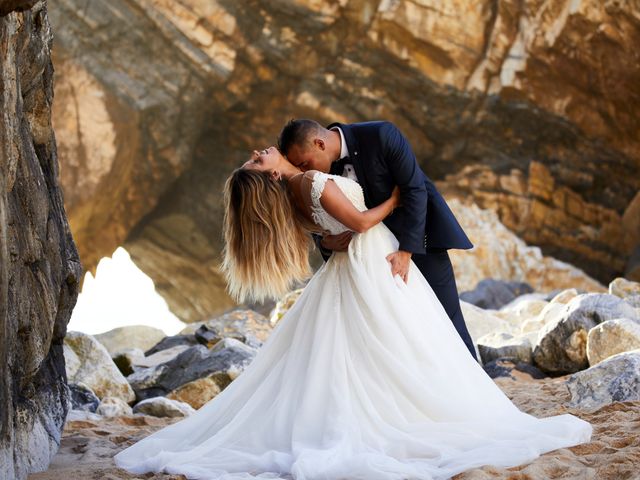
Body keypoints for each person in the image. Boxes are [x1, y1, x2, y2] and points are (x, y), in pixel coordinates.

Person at [113, 146, 592, 480]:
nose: (259, 151)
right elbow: (360, 222)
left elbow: (331, 233)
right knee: (394, 341)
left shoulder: (293, 195)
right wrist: (398, 198)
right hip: (374, 260)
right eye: (257, 160)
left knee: (362, 346)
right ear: (271, 175)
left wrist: (335, 234)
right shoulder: (311, 181)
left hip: (351, 264)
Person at [278, 119, 478, 360]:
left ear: (319, 143)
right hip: (369, 261)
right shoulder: (316, 176)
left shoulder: (382, 134)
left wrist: (406, 251)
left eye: (304, 163)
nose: (303, 170)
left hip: (416, 241)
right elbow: (318, 215)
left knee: (447, 318)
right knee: (394, 332)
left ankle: (475, 382)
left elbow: (415, 189)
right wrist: (325, 244)